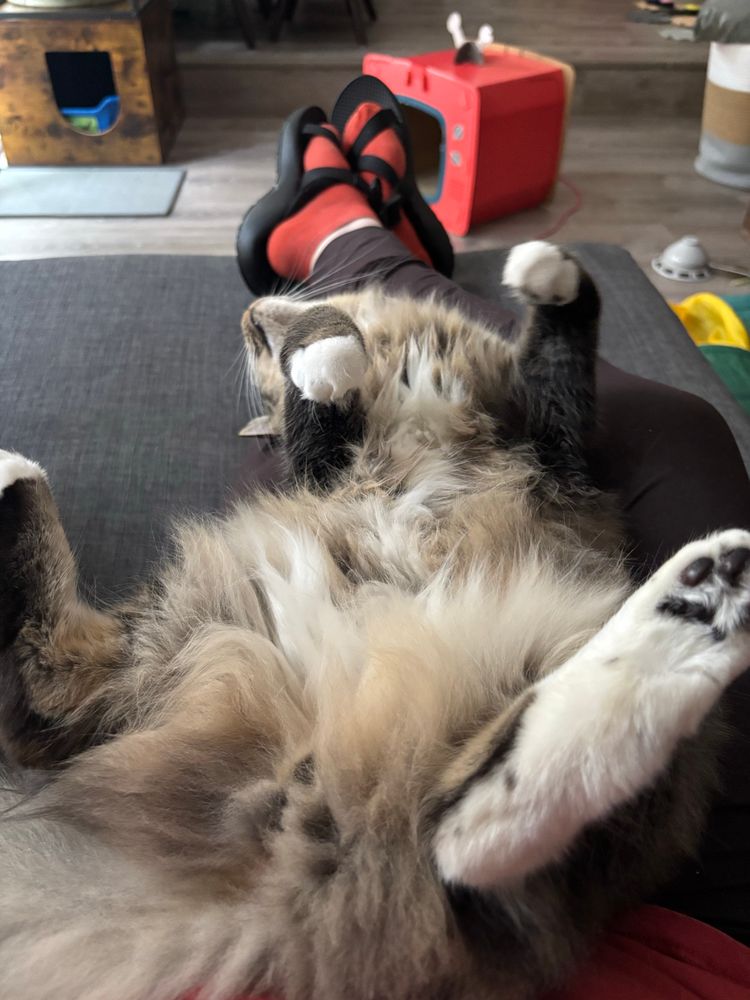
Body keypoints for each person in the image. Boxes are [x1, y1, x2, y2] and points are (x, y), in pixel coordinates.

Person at [236, 75, 750, 974]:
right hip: (672, 911)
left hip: (351, 779)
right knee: (667, 429)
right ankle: (367, 232)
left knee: (334, 442)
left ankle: (343, 232)